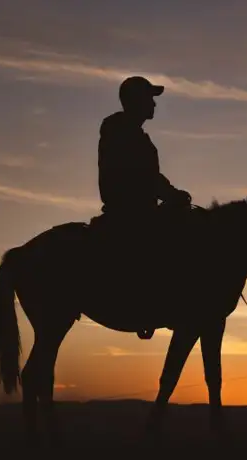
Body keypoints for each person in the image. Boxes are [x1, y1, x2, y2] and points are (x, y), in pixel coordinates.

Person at [96, 76, 193, 339]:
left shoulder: (134, 132)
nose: (153, 104)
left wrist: (172, 194)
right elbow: (141, 175)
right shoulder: (119, 129)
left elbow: (150, 175)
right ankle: (152, 304)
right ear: (137, 101)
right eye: (149, 99)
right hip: (129, 209)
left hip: (140, 206)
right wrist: (170, 194)